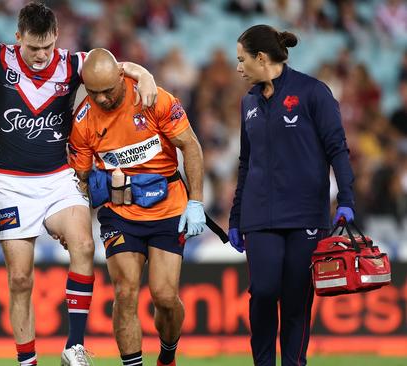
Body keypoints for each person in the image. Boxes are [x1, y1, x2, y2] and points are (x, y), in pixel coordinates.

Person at [0, 3, 158, 365]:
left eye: (48, 47)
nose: (41, 56)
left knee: (83, 245)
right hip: (12, 184)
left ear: (57, 39)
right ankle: (28, 362)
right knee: (20, 280)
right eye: (33, 47)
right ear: (18, 37)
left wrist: (143, 74)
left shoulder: (72, 64)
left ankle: (75, 347)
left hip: (58, 178)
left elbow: (112, 66)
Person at [68, 48, 206, 366]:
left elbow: (191, 146)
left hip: (168, 209)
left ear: (121, 76)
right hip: (119, 215)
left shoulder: (152, 98)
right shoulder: (84, 120)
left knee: (165, 297)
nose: (101, 99)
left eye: (107, 91)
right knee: (125, 291)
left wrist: (196, 201)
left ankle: (167, 355)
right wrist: (76, 218)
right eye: (93, 92)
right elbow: (82, 180)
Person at [228, 25, 355, 366]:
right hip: (259, 217)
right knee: (264, 292)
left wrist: (346, 200)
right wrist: (236, 216)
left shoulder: (314, 92)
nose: (238, 67)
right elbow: (245, 162)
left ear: (261, 58)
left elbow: (338, 150)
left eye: (242, 60)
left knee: (297, 300)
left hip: (305, 215)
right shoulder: (248, 103)